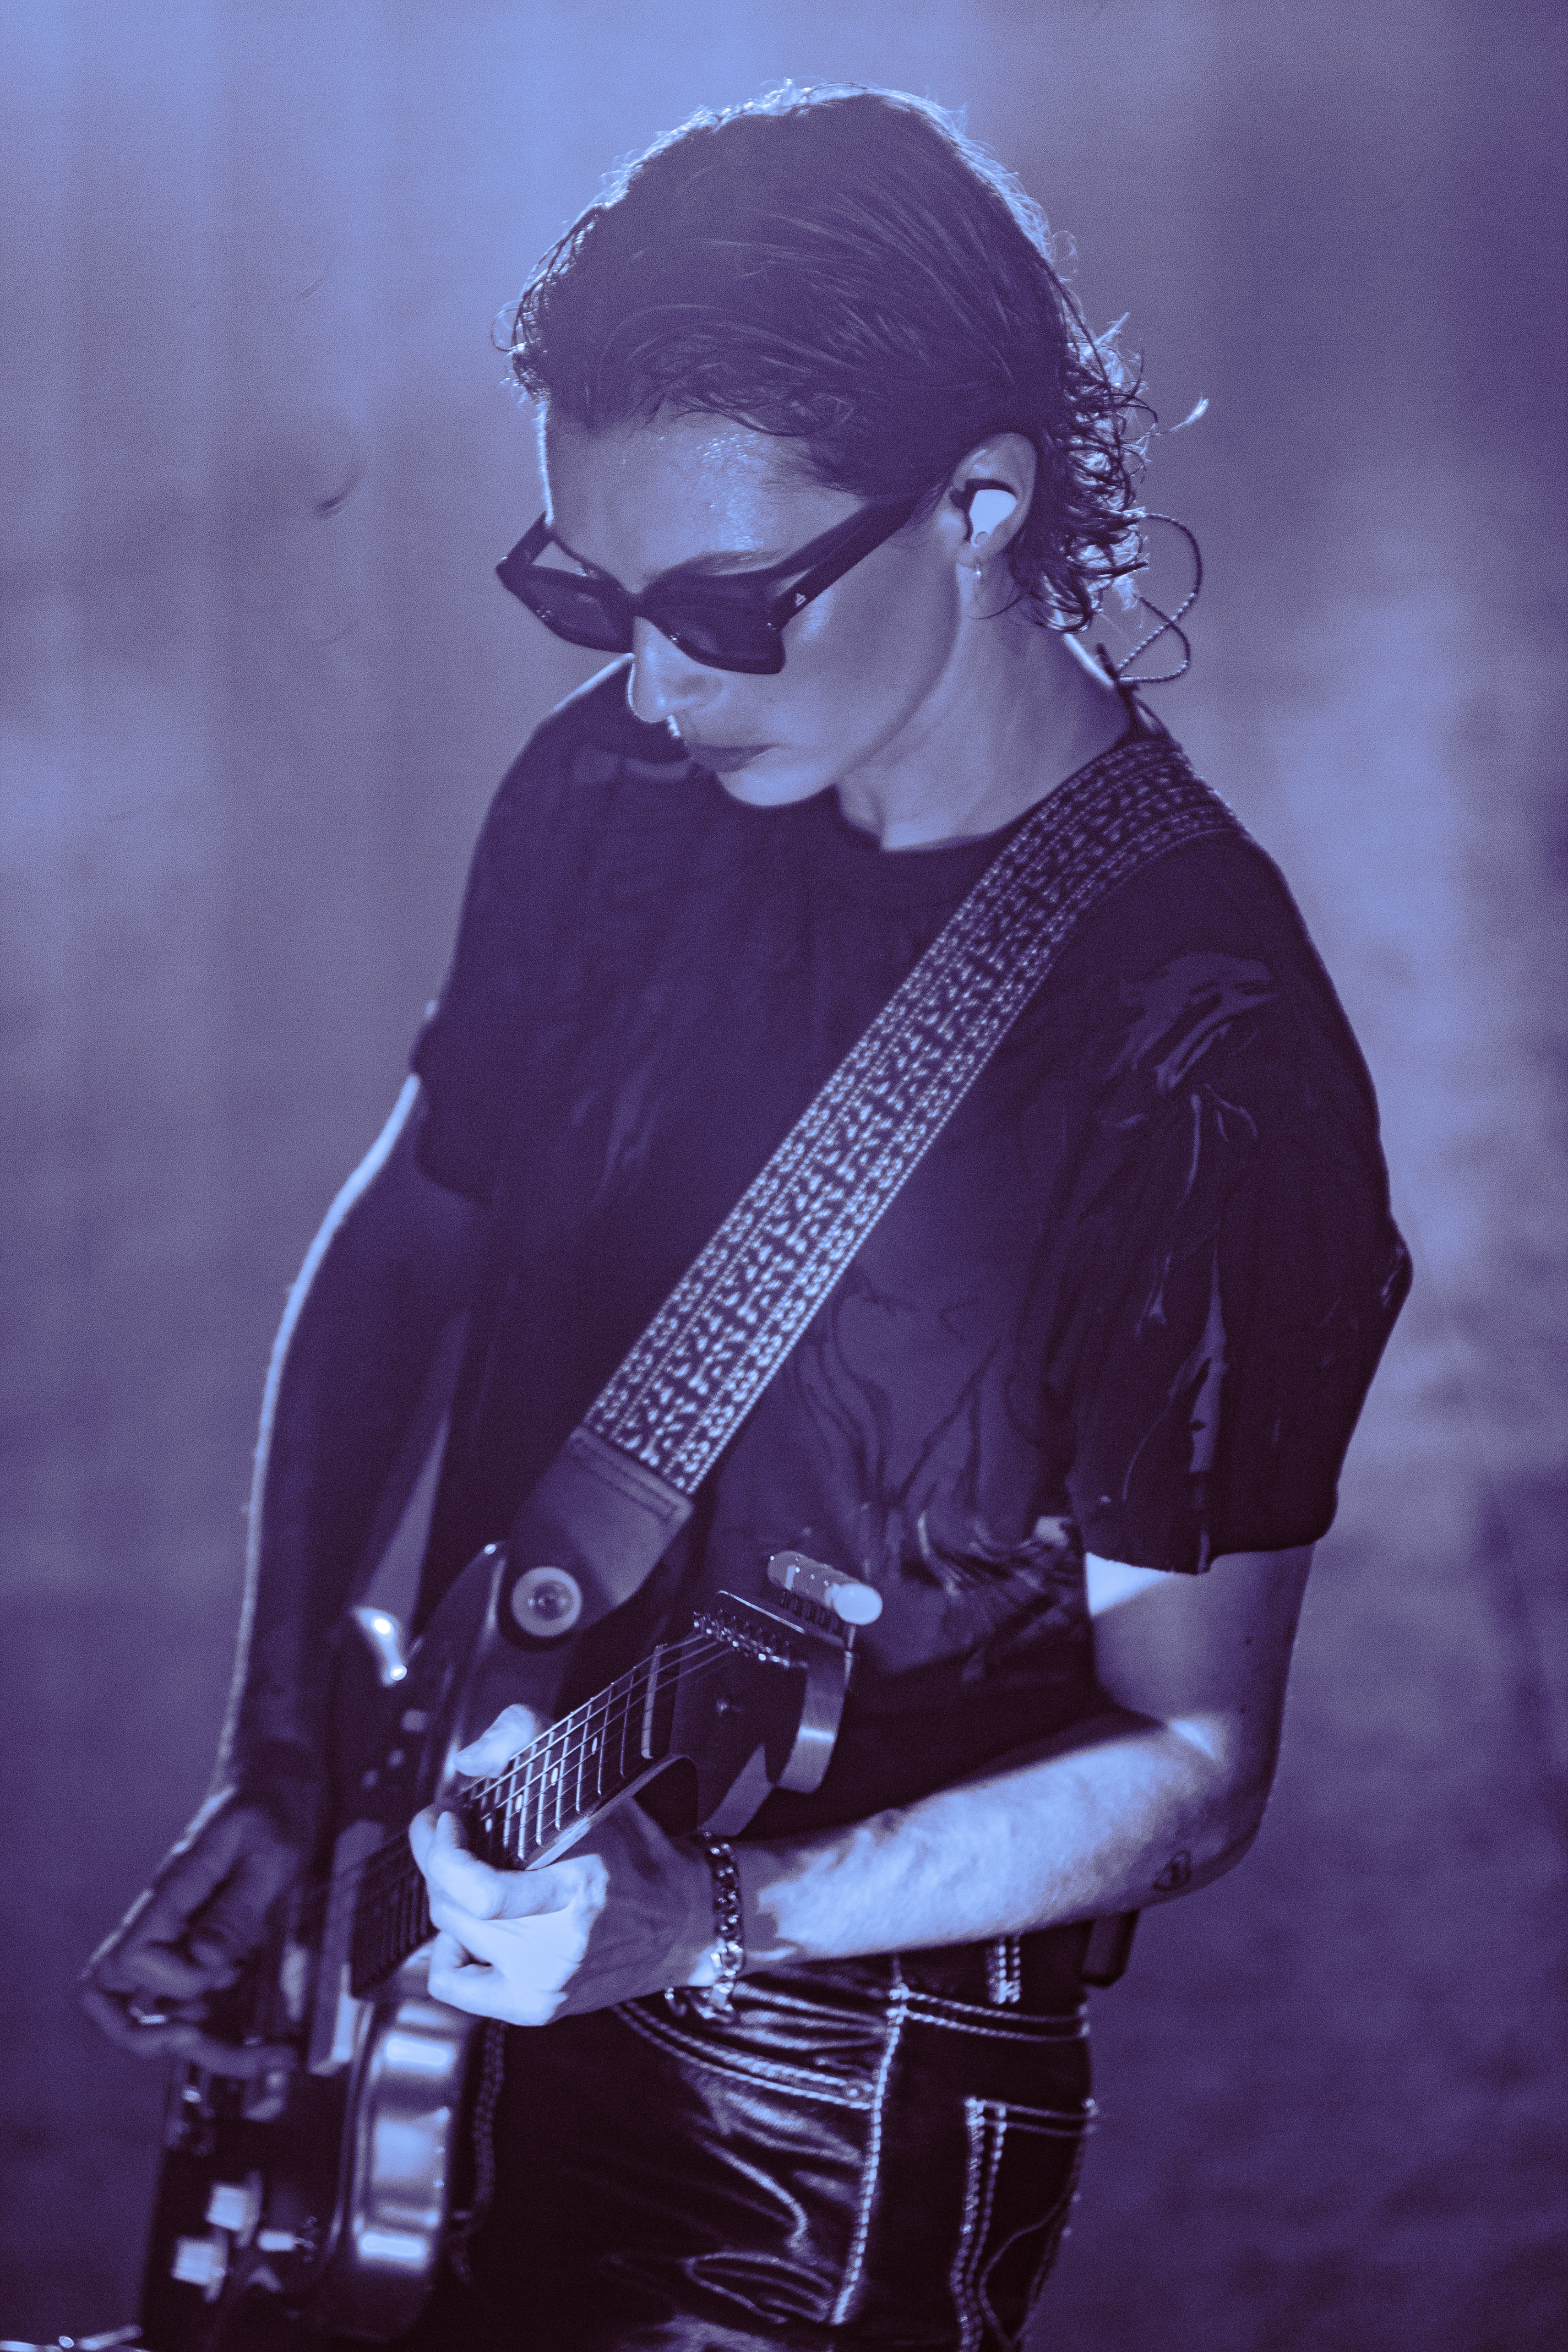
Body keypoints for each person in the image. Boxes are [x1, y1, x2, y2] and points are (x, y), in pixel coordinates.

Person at [83, 86, 1411, 2351]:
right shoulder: (609, 798)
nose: (655, 683)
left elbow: (1190, 1767)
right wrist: (289, 1758)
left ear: (981, 505)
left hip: (803, 2138)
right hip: (433, 1969)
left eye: (723, 608)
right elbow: (412, 1241)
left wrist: (713, 1916)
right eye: (586, 599)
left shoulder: (1202, 1054)